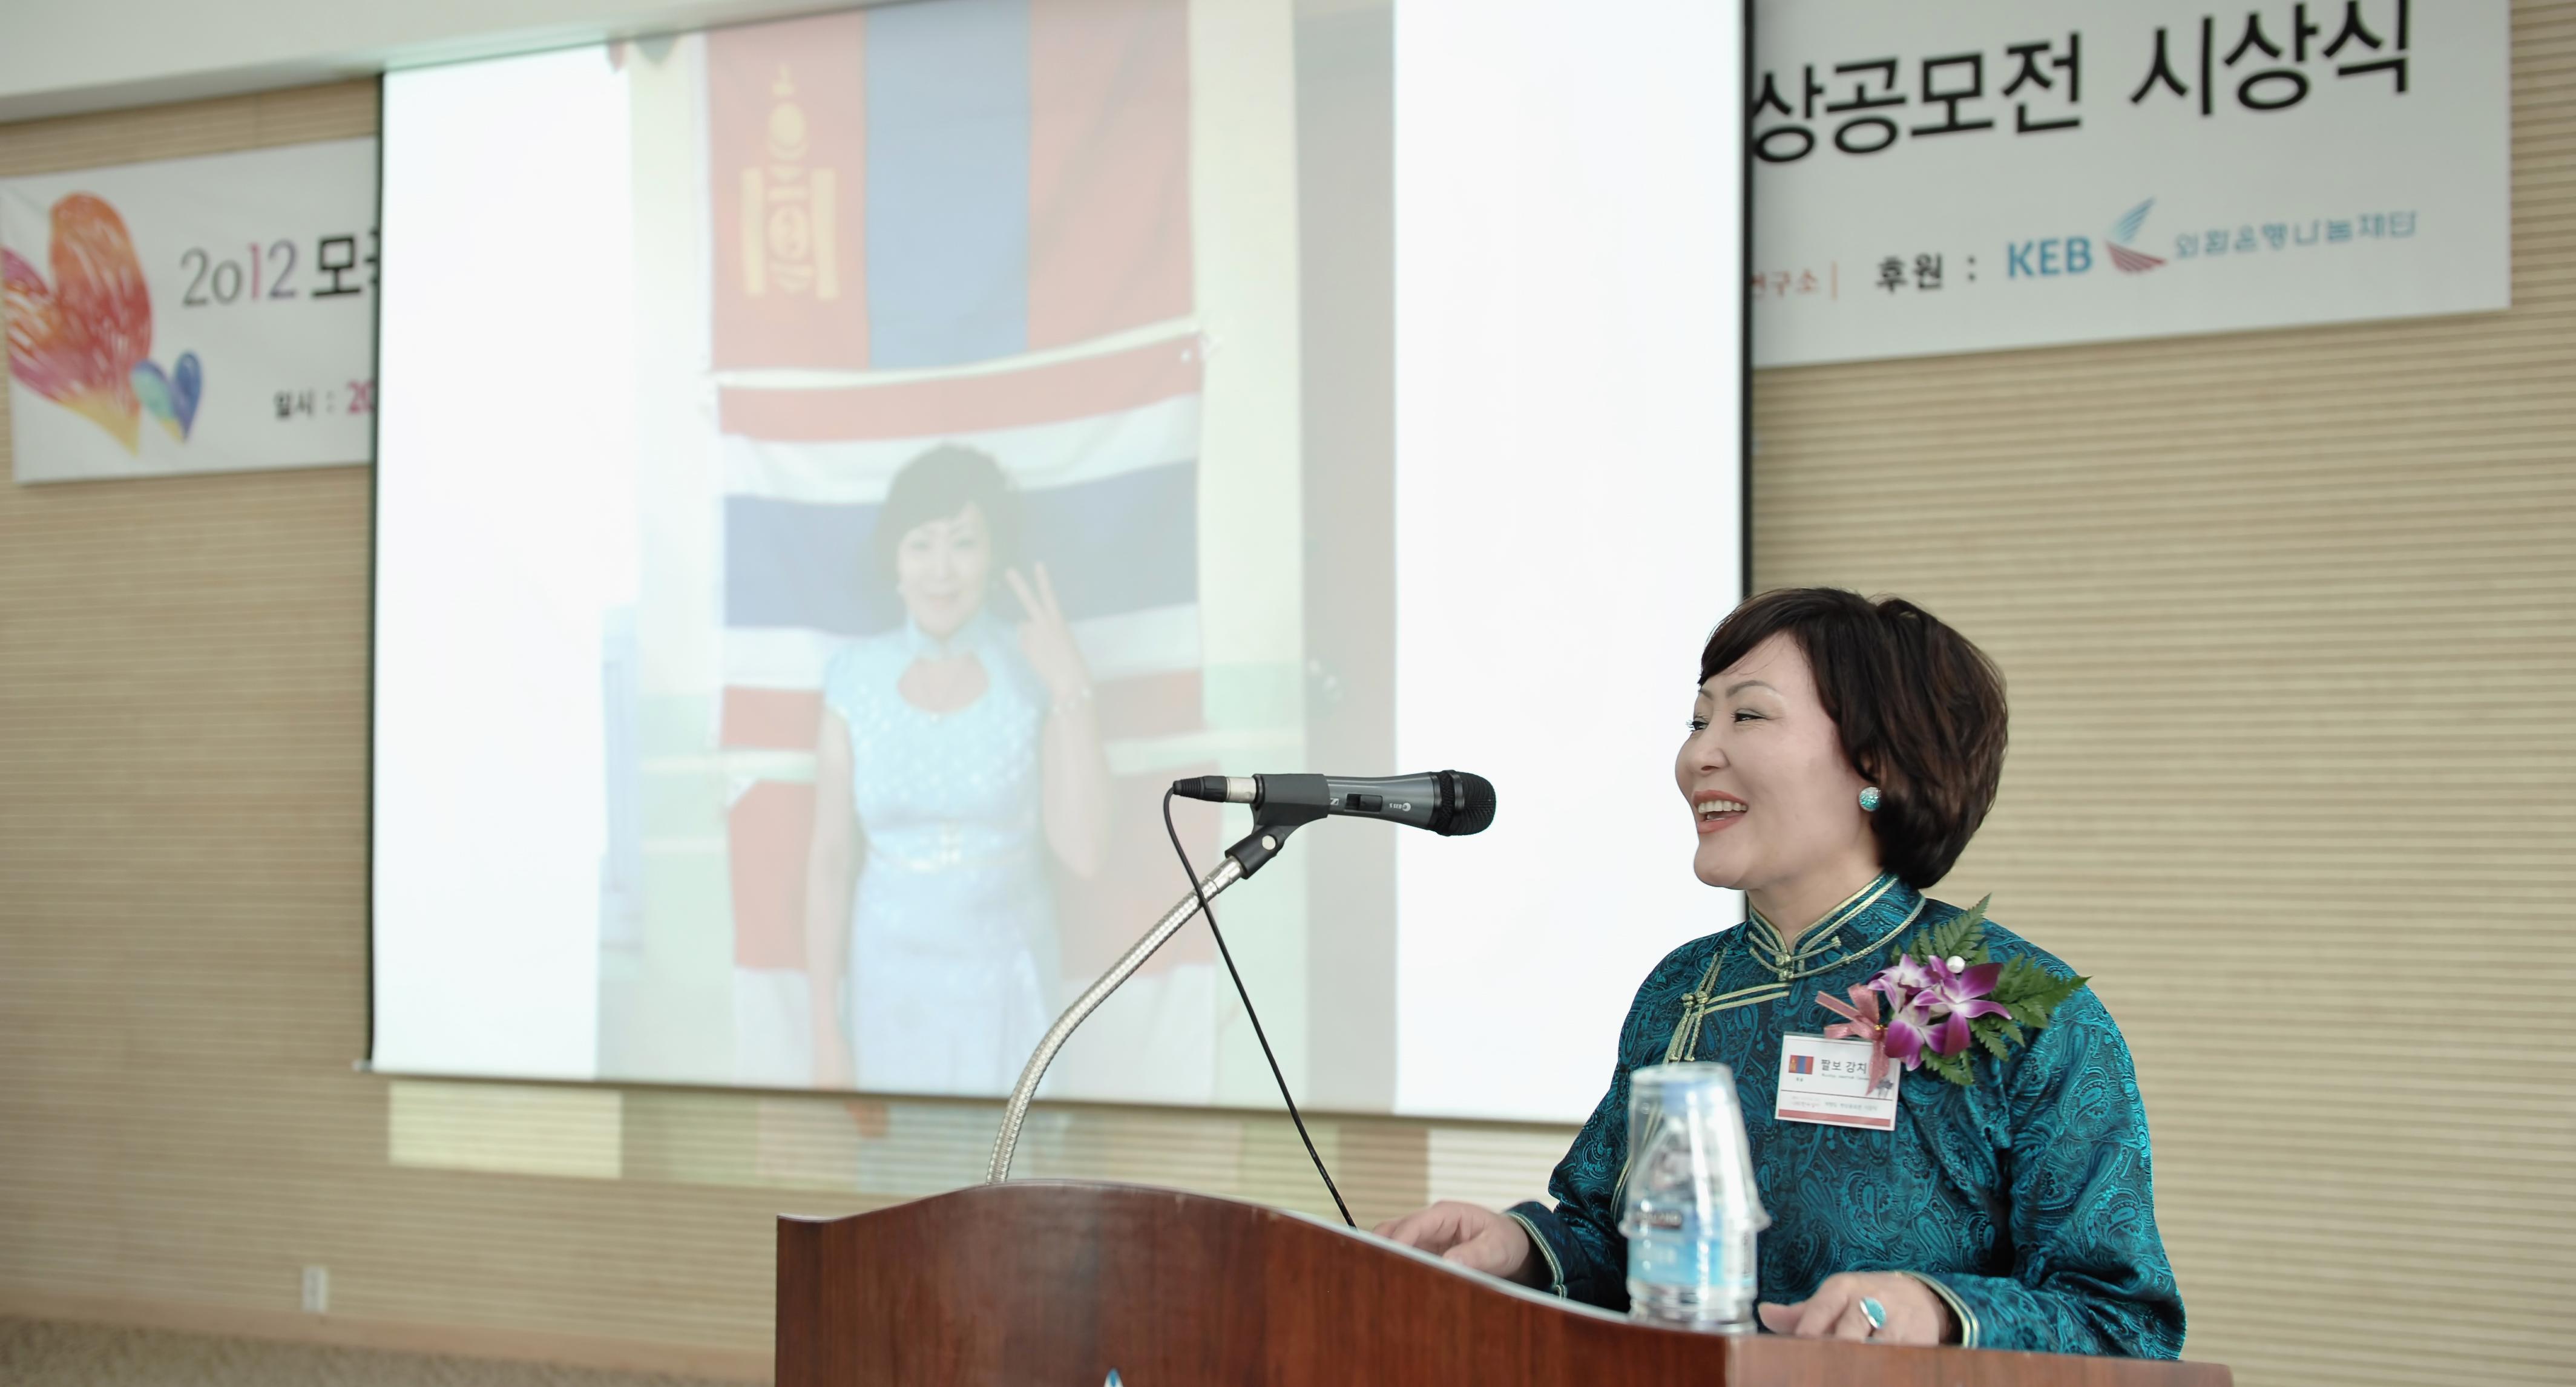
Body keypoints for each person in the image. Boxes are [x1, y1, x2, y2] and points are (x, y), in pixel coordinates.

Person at [1373, 588, 2184, 1356]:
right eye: (1697, 721)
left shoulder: (2014, 1007)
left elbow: (2125, 1322)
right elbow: (1613, 1242)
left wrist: (1935, 1313)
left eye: (1748, 715)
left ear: (1877, 763)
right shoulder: (1683, 991)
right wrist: (1520, 1245)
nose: (1698, 755)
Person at [803, 445, 1111, 1095]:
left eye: (963, 543)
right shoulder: (851, 680)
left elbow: (1084, 851)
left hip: (1010, 997)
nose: (941, 570)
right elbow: (828, 861)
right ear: (895, 559)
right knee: (901, 1192)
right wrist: (826, 1037)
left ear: (993, 556)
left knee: (1007, 1194)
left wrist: (1071, 687)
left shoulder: (1034, 668)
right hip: (887, 997)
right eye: (920, 545)